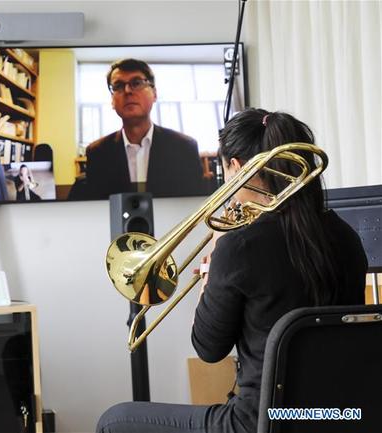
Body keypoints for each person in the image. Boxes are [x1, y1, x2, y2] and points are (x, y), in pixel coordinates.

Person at [96, 108, 369, 433]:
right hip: (340, 417)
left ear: (236, 168)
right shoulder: (347, 237)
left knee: (113, 421)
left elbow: (209, 349)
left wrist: (214, 260)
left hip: (262, 421)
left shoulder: (238, 246)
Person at [81, 58, 206, 200]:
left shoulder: (184, 147)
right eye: (118, 86)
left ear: (154, 93)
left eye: (136, 83)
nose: (127, 91)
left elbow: (193, 206)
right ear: (112, 99)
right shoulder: (98, 152)